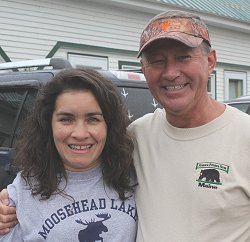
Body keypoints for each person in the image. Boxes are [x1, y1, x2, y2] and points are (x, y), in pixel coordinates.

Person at [1, 9, 250, 242]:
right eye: (157, 61)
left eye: (184, 57)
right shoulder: (136, 137)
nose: (171, 72)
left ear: (210, 61)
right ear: (144, 69)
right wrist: (9, 204)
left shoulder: (244, 136)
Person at [0, 68, 137, 241]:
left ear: (109, 125)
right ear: (49, 125)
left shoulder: (133, 175)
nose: (80, 134)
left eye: (93, 119)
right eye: (66, 119)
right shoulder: (23, 191)